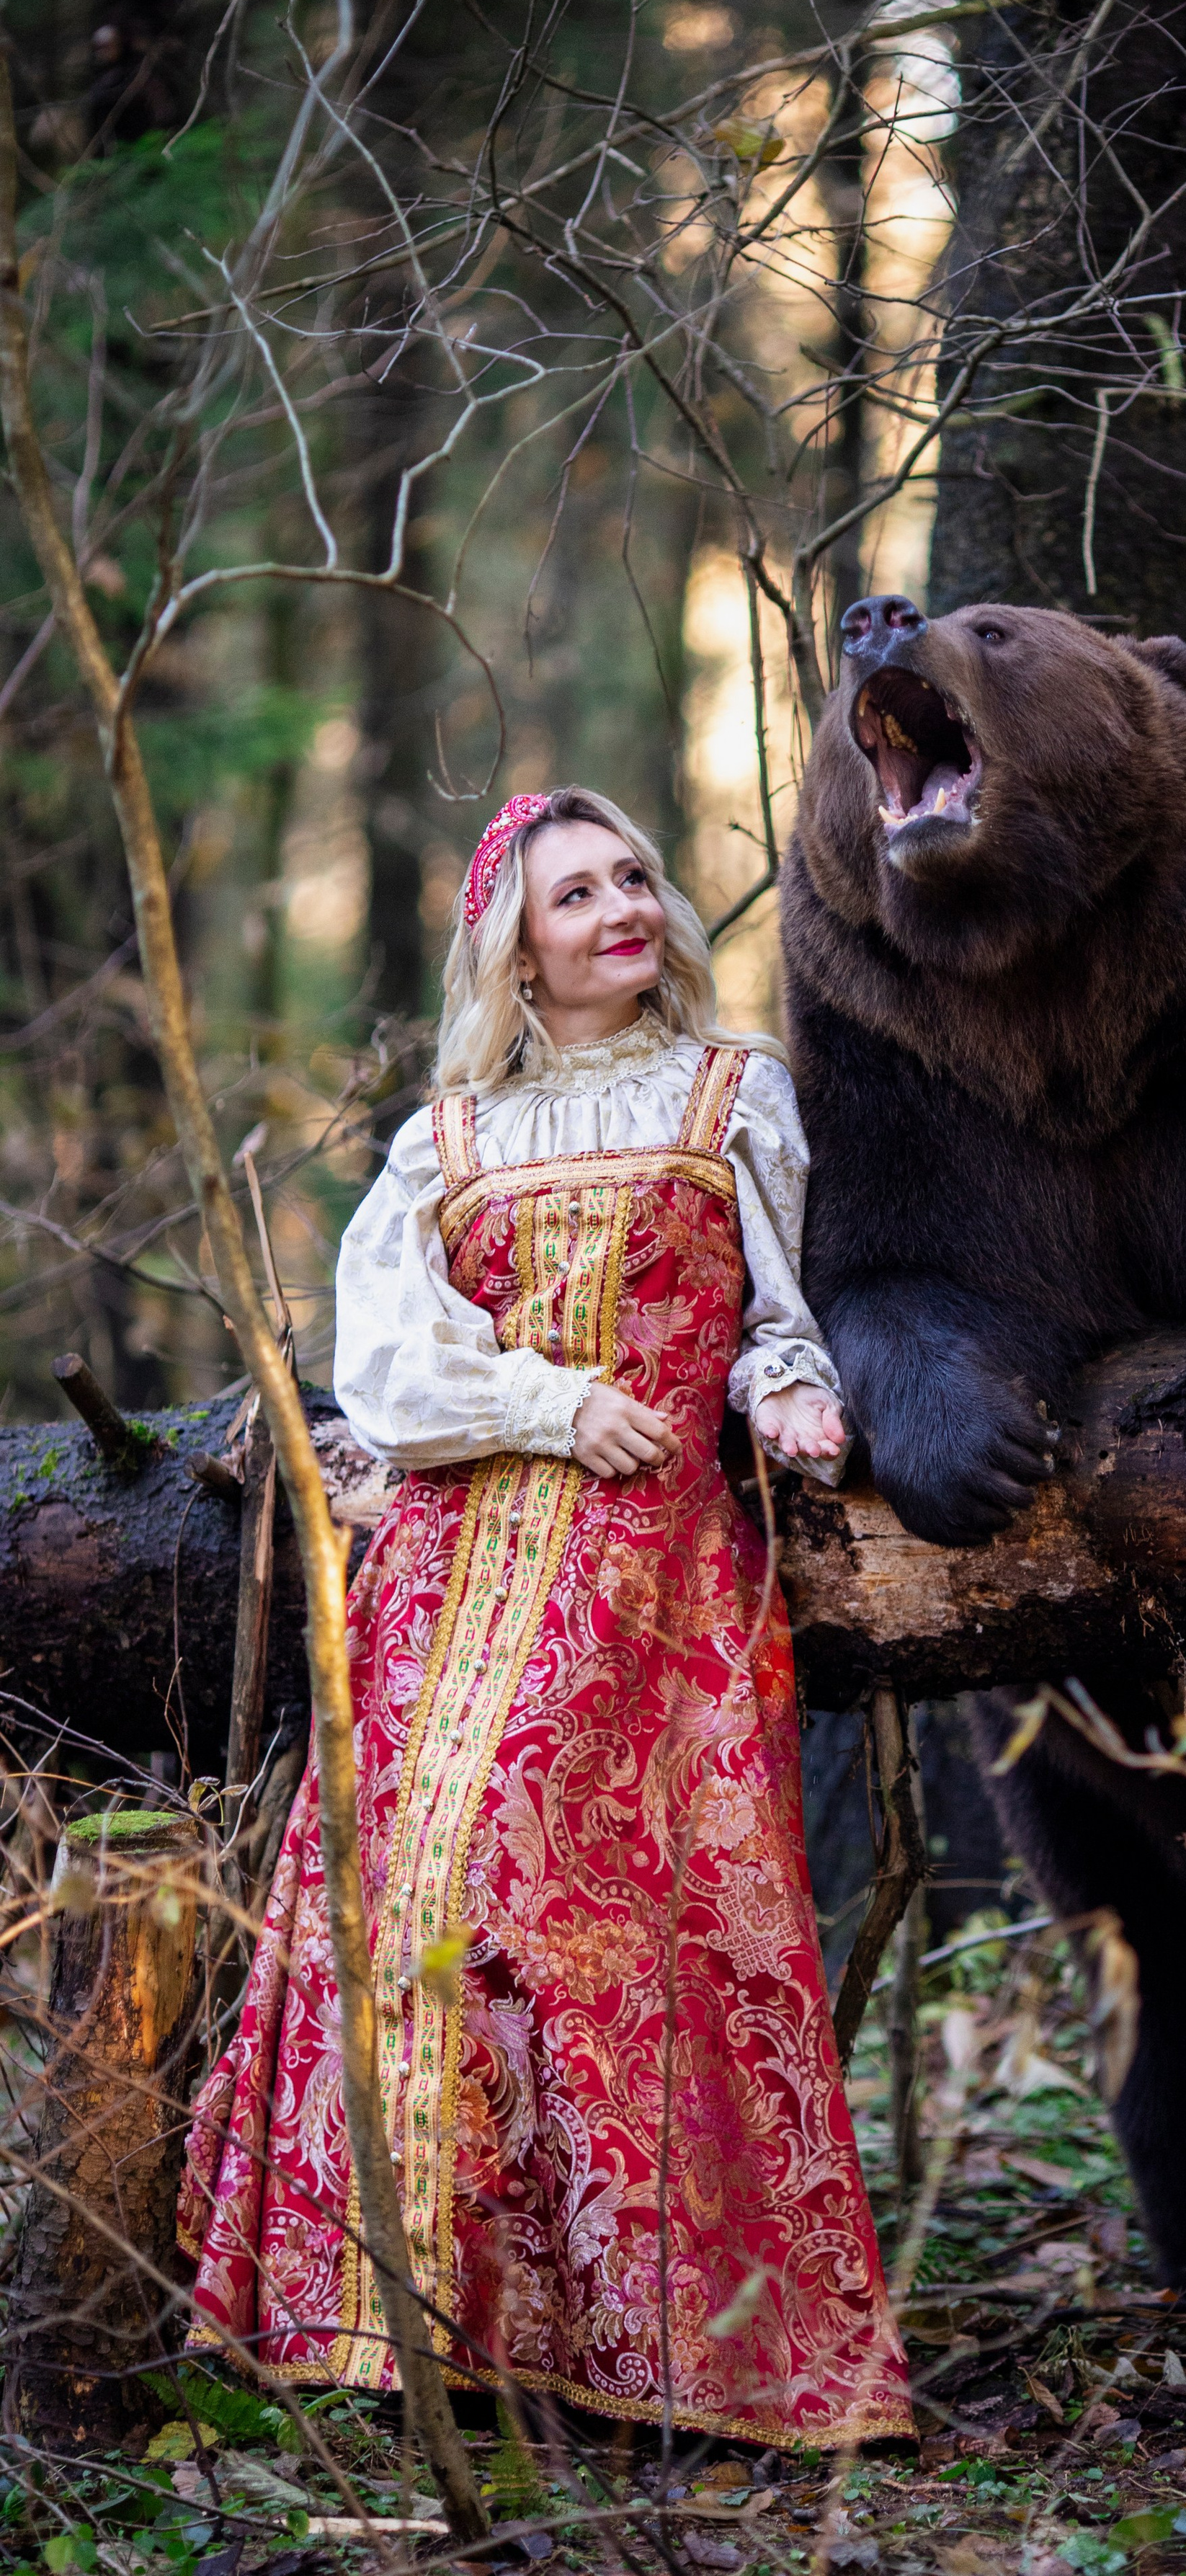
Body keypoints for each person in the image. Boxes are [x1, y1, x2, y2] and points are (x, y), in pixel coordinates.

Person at [180, 786, 911, 2451]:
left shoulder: (735, 1098)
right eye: (575, 893)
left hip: (652, 1577)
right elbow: (384, 1365)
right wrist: (543, 1403)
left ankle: (654, 2354)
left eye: (634, 878)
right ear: (514, 942)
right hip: (448, 1571)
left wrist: (786, 1393)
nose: (621, 910)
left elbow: (777, 1311)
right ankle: (401, 2333)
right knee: (416, 1891)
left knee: (610, 1932)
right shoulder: (443, 1138)